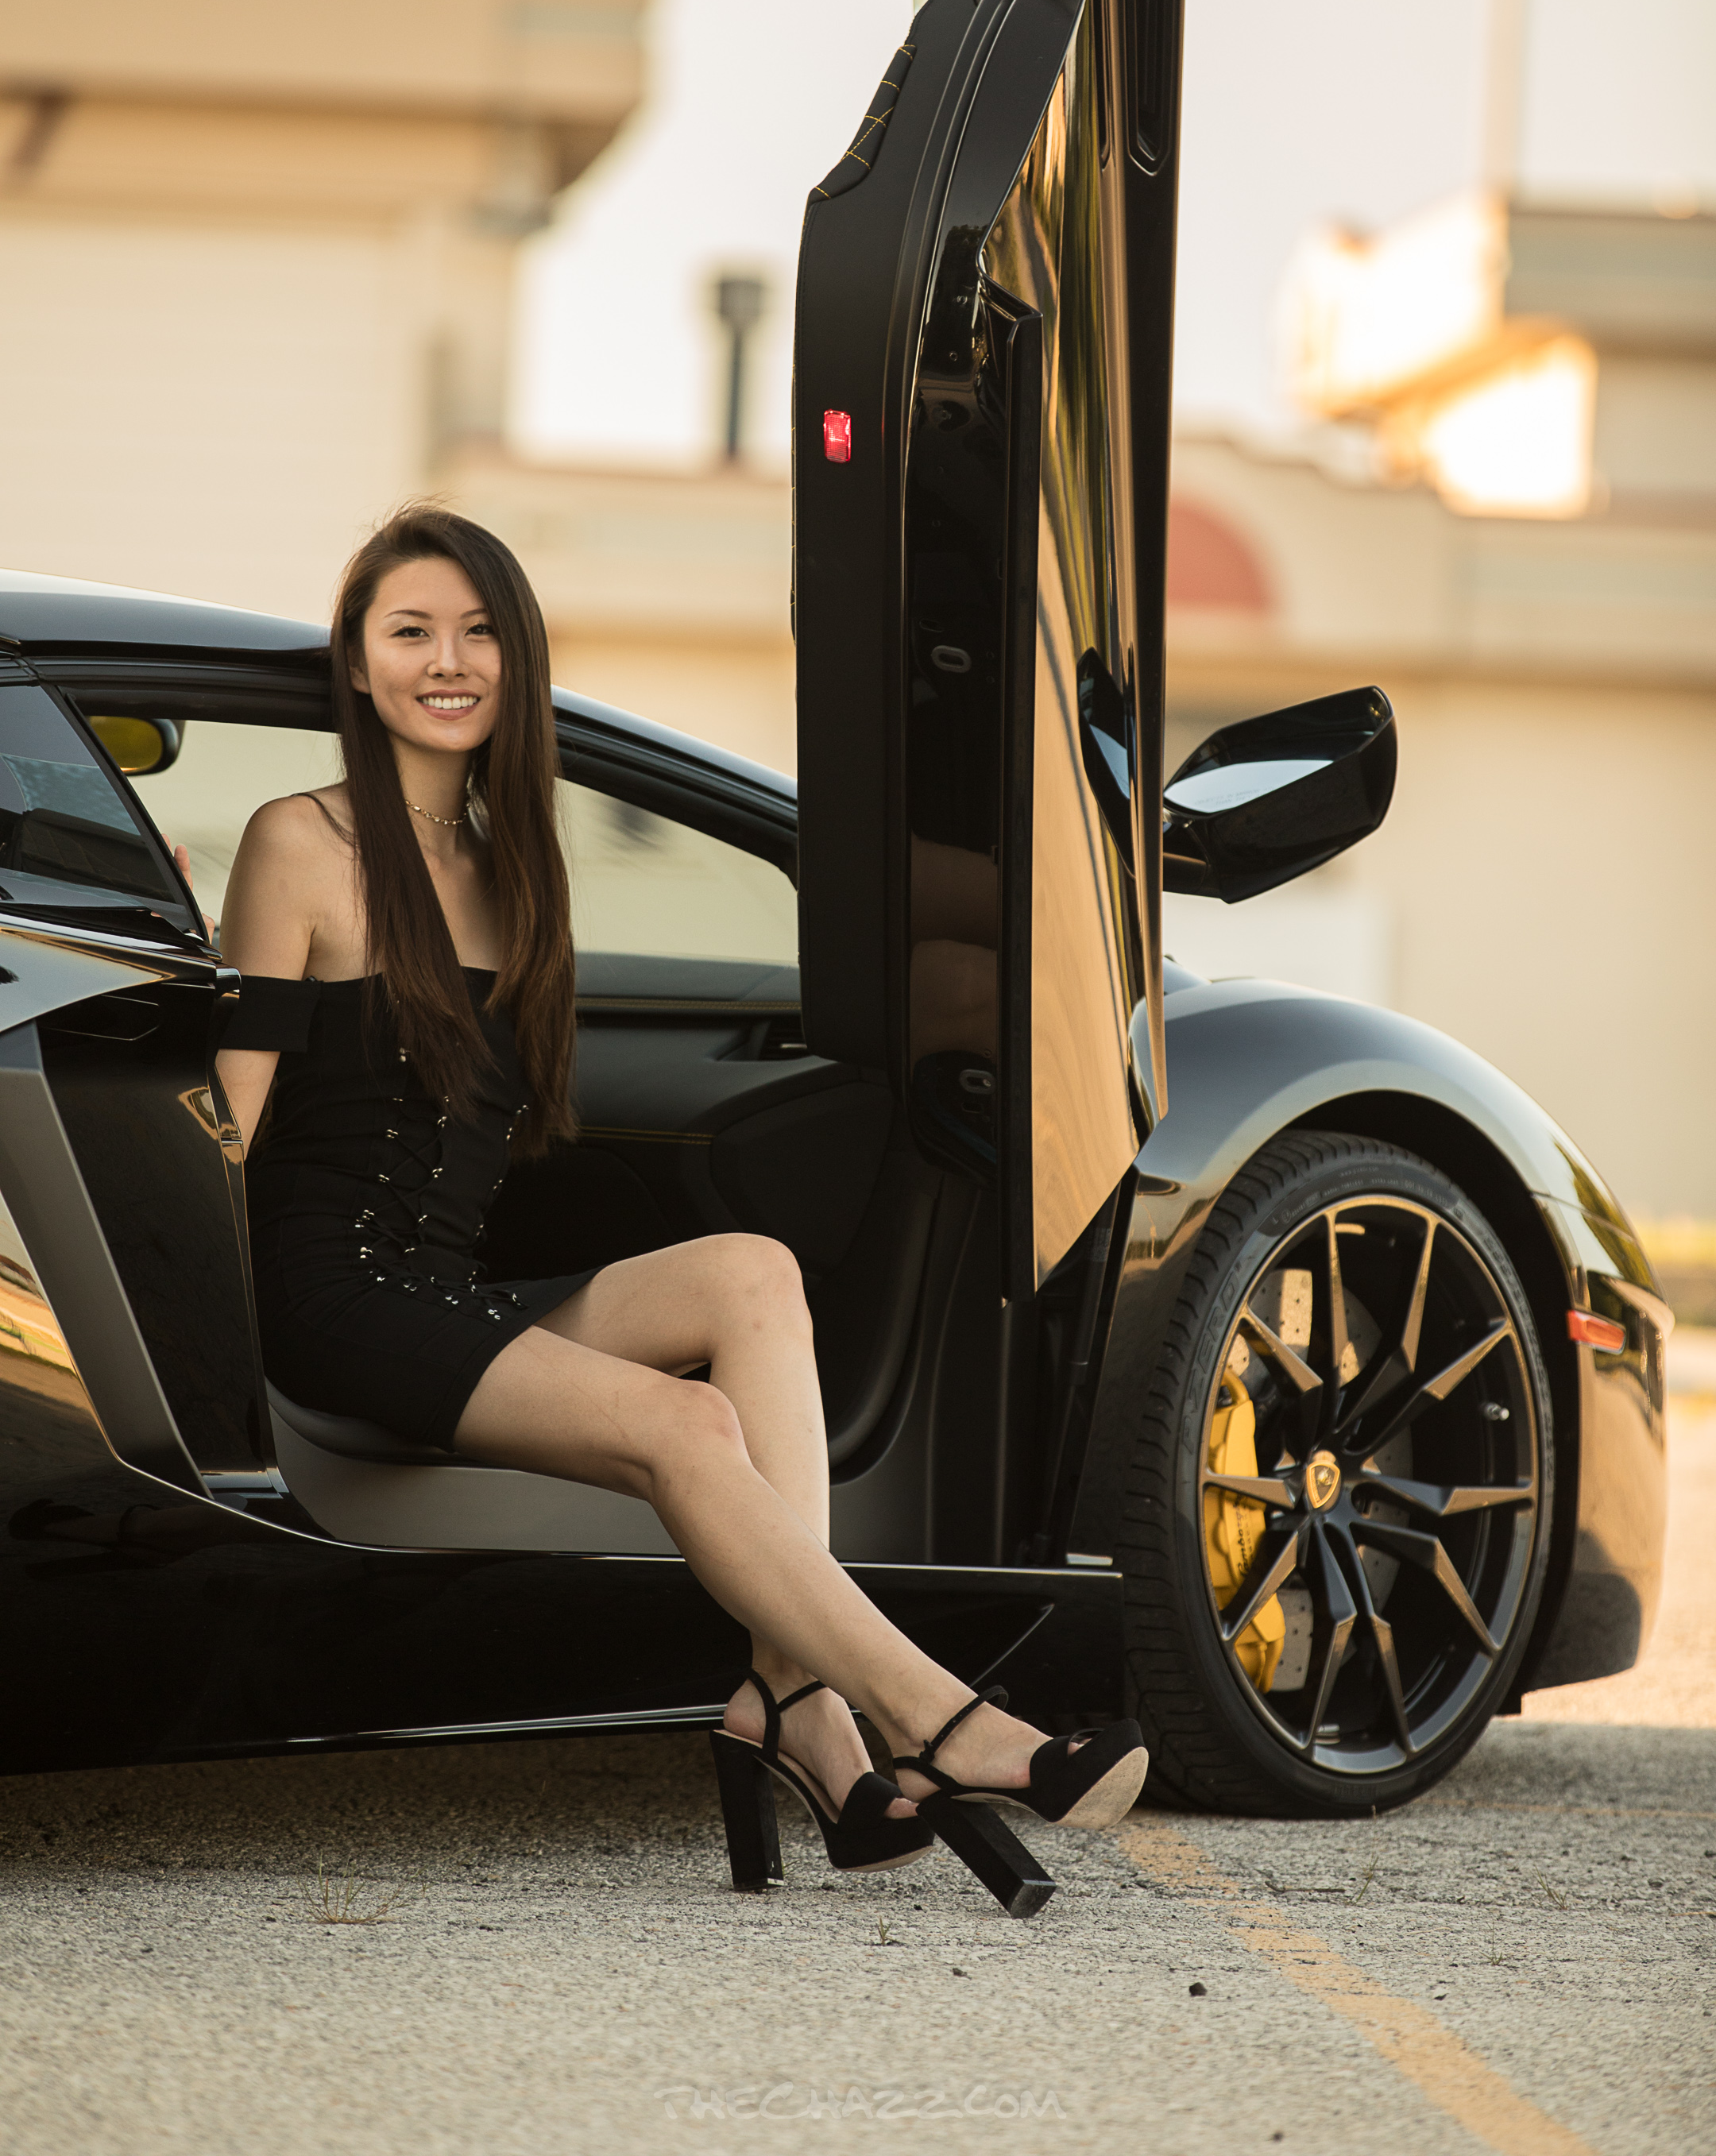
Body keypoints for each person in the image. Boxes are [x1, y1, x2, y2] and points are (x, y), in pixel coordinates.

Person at [214, 504, 1146, 1910]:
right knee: (689, 1426)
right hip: (332, 1293)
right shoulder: (300, 841)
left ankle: (791, 1702)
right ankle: (938, 1722)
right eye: (410, 632)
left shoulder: (516, 870)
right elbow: (234, 1111)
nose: (446, 662)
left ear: (517, 662)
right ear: (357, 662)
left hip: (439, 1286)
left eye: (478, 633)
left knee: (753, 1270)